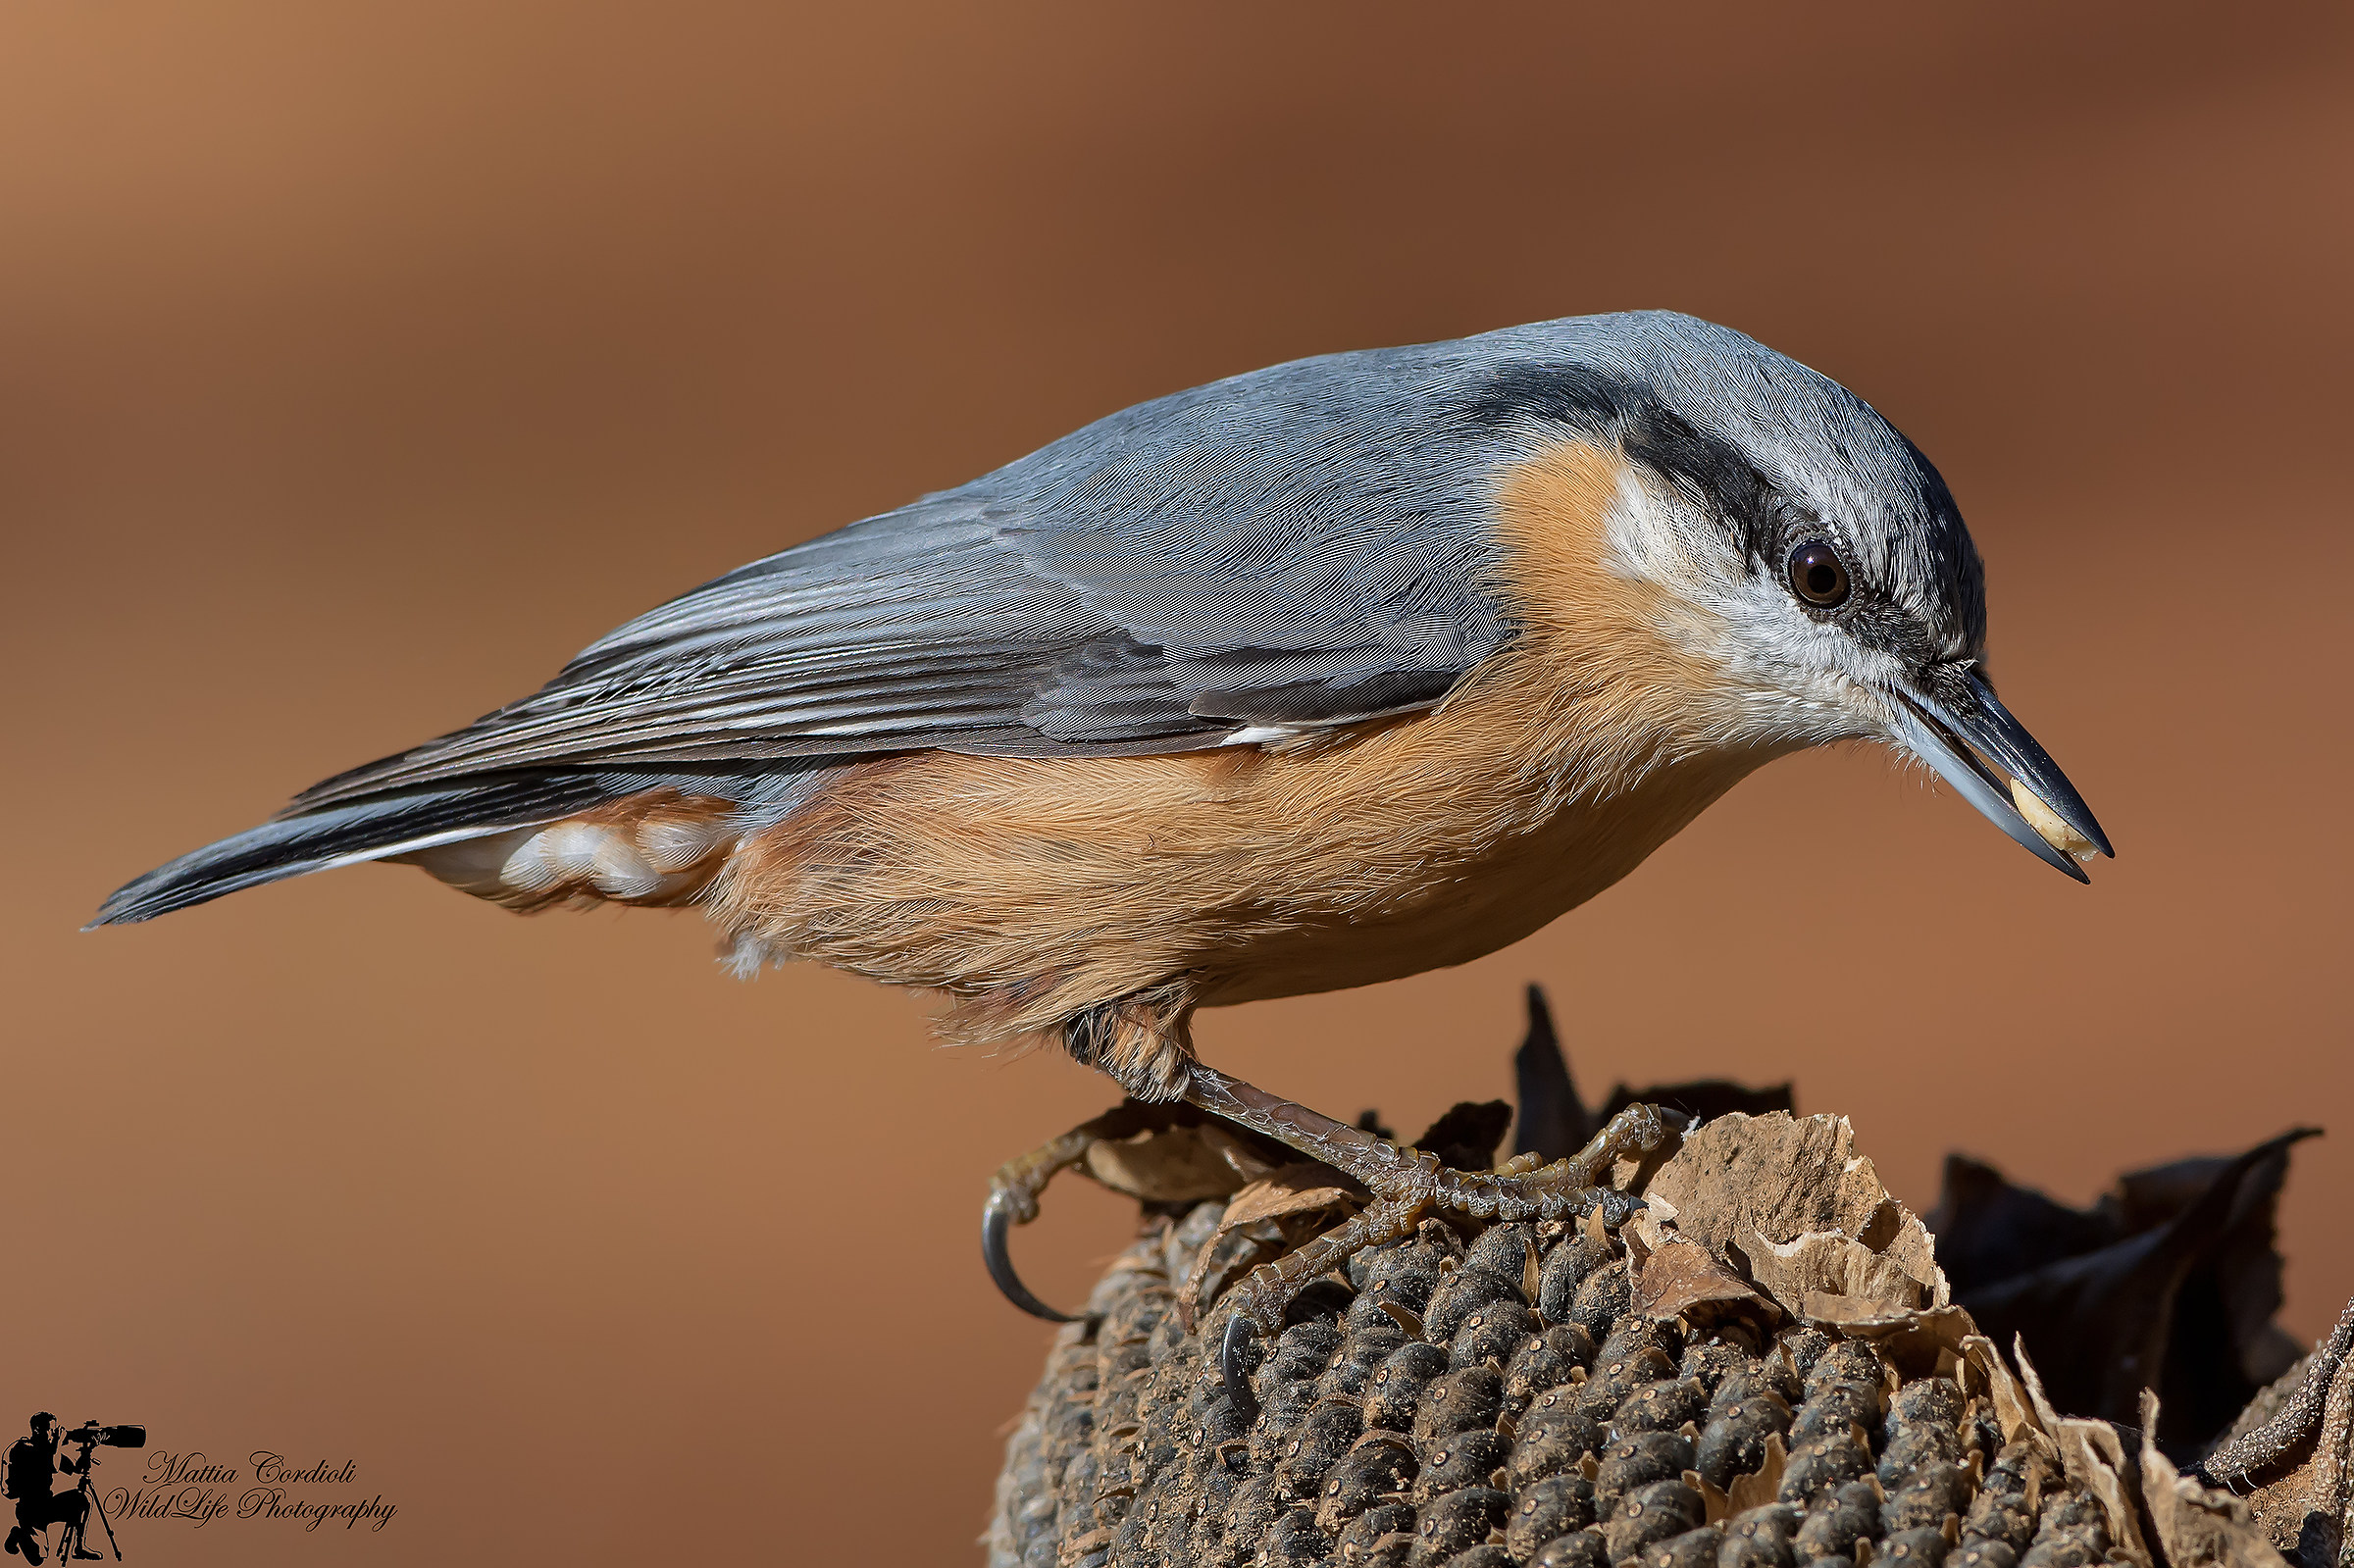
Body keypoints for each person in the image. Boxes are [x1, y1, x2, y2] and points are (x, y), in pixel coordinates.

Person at [2, 1415, 97, 1564]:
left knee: (83, 1499)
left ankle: (79, 1547)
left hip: (46, 1505)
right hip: (29, 1509)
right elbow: (52, 1465)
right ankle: (18, 1534)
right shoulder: (23, 1448)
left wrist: (88, 1450)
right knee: (38, 1559)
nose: (54, 1433)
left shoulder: (49, 1449)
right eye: (51, 1429)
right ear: (37, 1429)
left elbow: (75, 1468)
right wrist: (58, 1441)